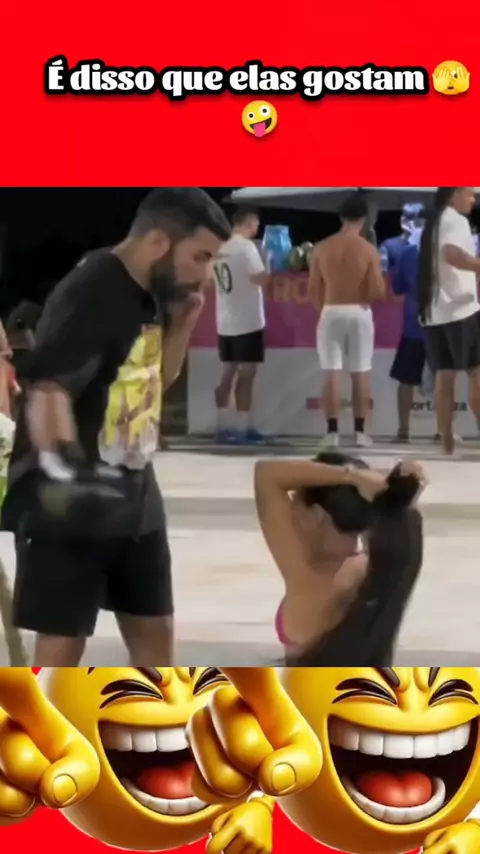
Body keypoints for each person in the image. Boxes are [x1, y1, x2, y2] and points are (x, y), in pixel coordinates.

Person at [1, 187, 231, 667]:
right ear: (159, 242)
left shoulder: (157, 291)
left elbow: (156, 379)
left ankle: (155, 715)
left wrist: (184, 324)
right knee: (62, 644)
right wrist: (67, 474)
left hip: (135, 490)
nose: (205, 273)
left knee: (156, 633)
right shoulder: (91, 291)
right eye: (201, 256)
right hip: (71, 499)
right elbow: (49, 388)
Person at [254, 452, 425, 665]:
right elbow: (399, 514)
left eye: (295, 500)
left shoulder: (309, 578)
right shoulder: (387, 562)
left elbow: (266, 474)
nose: (290, 509)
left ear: (317, 513)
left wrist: (350, 476)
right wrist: (395, 490)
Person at [308, 192, 386, 449]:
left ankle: (332, 433)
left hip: (331, 310)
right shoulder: (368, 250)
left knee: (331, 371)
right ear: (364, 219)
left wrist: (327, 308)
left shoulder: (321, 248)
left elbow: (313, 289)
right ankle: (360, 432)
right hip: (359, 311)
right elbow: (377, 290)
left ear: (341, 217)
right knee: (360, 371)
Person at [418, 187, 480, 455]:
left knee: (444, 376)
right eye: (470, 194)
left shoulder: (433, 222)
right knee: (476, 373)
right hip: (460, 308)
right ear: (454, 193)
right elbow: (451, 254)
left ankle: (446, 442)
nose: (474, 200)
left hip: (434, 311)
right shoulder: (455, 220)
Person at [212, 208, 269, 444]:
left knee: (227, 374)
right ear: (250, 223)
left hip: (225, 320)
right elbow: (260, 278)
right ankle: (243, 429)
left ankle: (222, 427)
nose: (257, 228)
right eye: (256, 224)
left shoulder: (220, 248)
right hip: (248, 321)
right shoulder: (246, 248)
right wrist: (268, 261)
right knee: (246, 376)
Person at [379, 202, 426, 277]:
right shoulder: (389, 246)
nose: (418, 227)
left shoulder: (428, 246)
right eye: (415, 222)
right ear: (403, 221)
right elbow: (382, 275)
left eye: (420, 223)